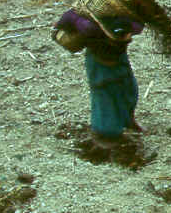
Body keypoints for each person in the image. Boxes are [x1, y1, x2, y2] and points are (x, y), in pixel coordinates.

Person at [53, 9, 145, 148]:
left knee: (128, 89)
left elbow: (137, 25)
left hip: (117, 56)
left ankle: (126, 120)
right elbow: (78, 25)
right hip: (99, 60)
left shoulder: (119, 13)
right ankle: (105, 134)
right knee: (104, 96)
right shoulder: (88, 21)